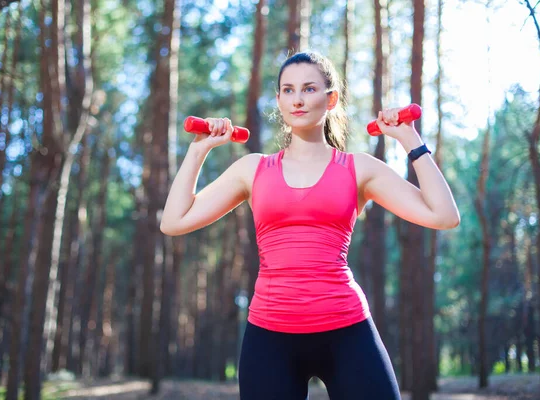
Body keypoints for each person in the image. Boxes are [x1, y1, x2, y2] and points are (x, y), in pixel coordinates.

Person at [160, 51, 460, 400]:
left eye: (309, 88)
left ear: (330, 99)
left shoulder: (359, 168)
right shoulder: (252, 170)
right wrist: (199, 151)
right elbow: (173, 221)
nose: (298, 99)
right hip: (270, 336)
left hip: (346, 329)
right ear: (279, 100)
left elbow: (444, 215)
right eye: (288, 90)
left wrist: (410, 140)